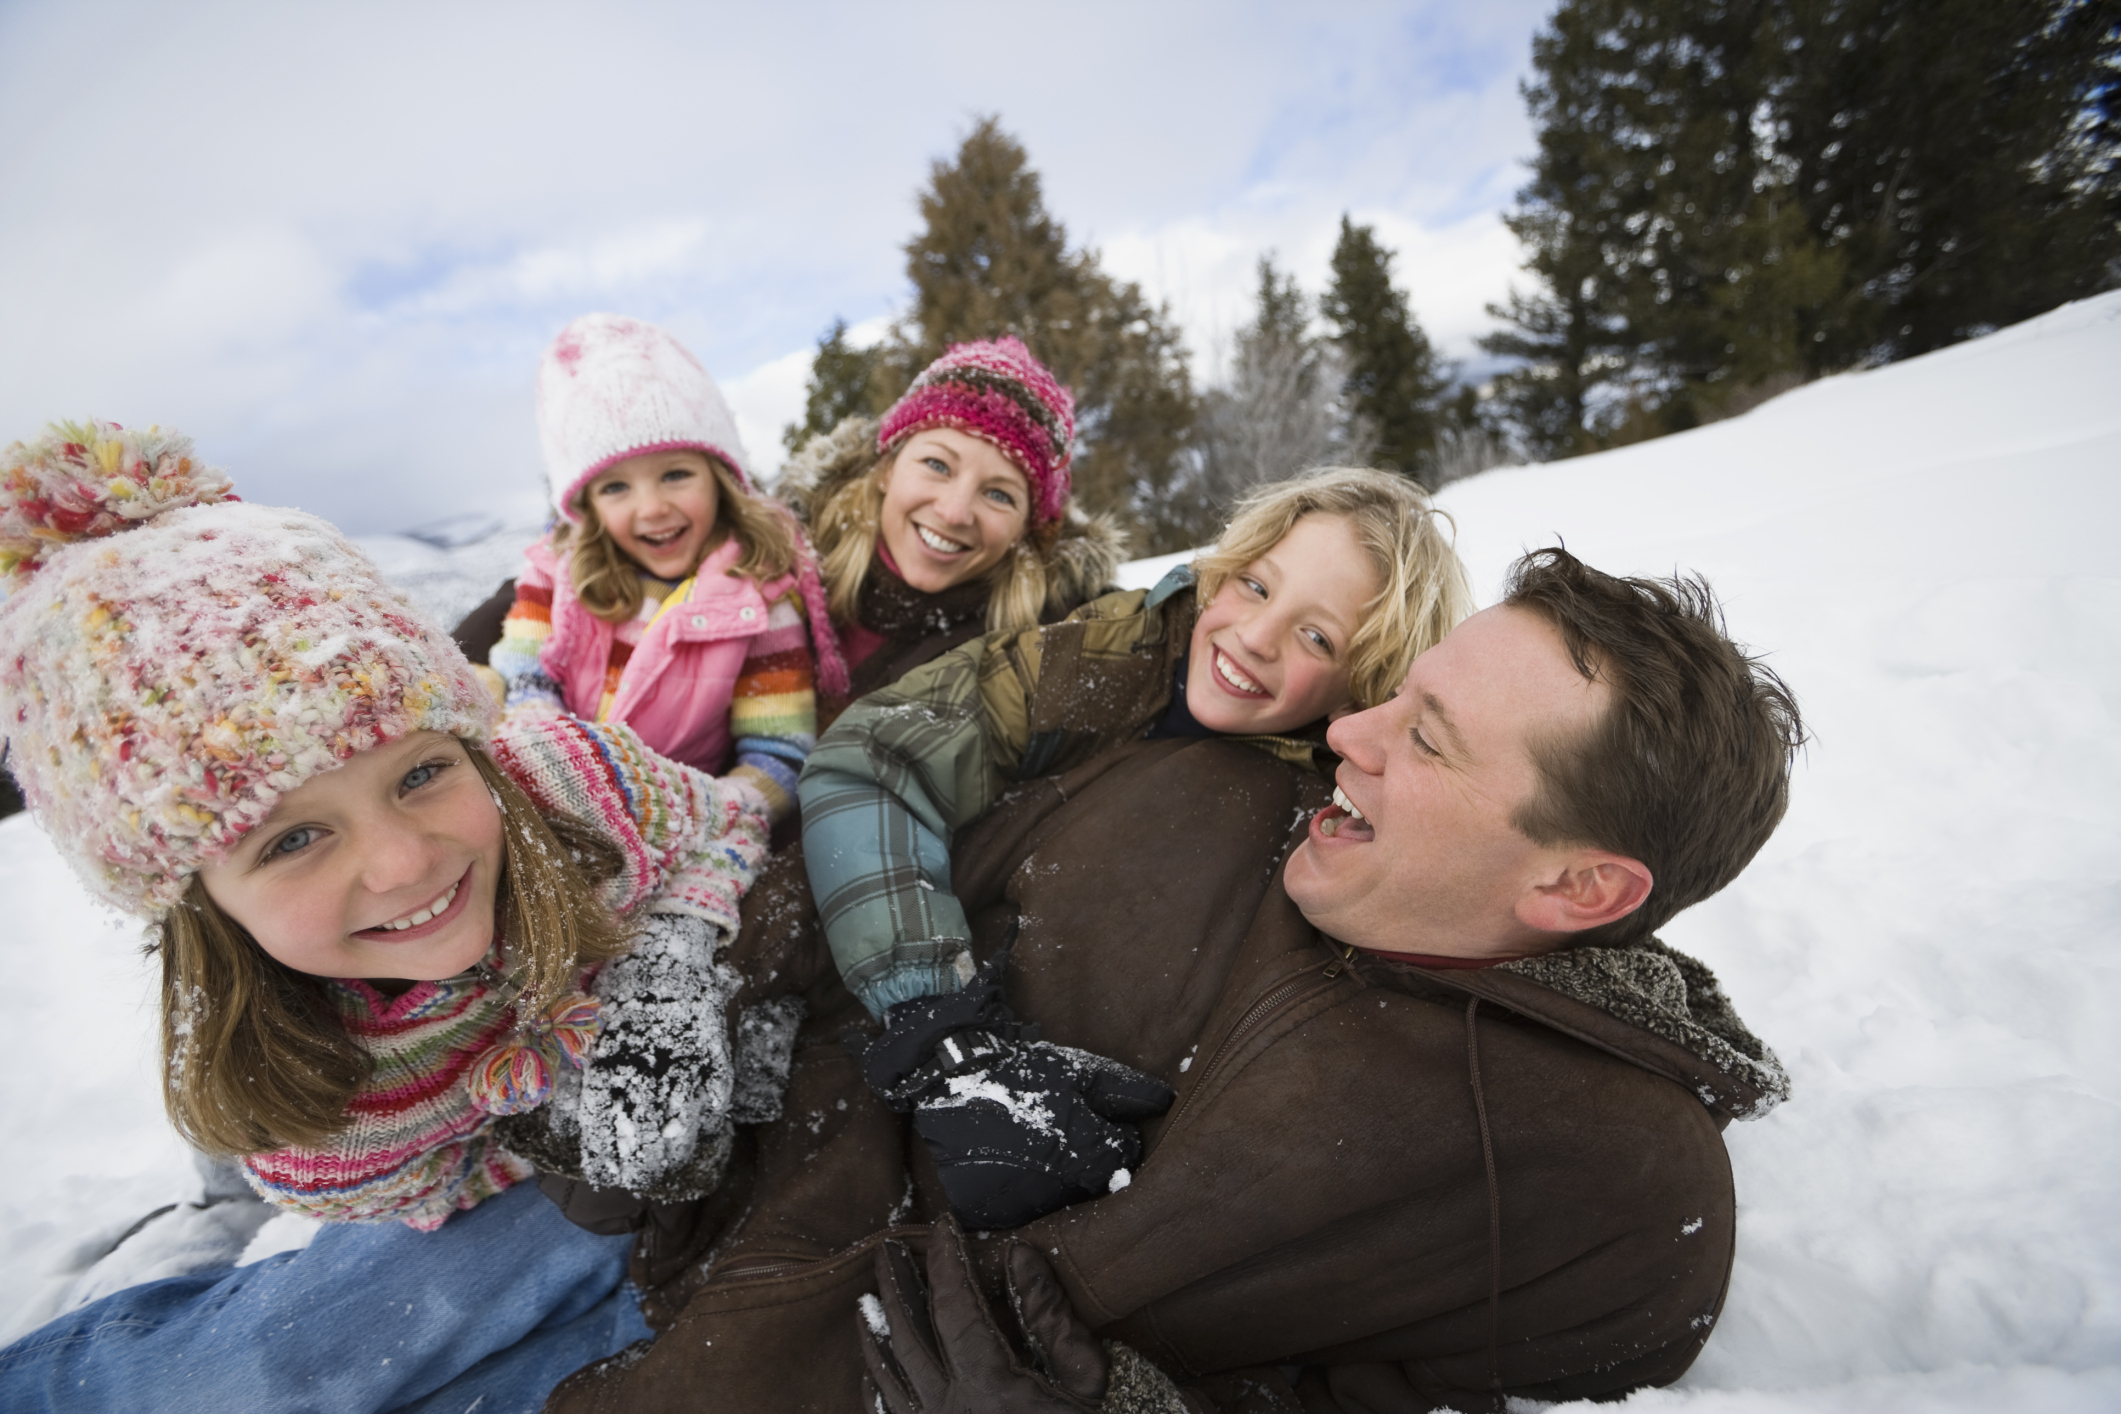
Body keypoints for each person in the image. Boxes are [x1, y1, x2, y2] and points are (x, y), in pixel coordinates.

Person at [542, 547, 1802, 1414]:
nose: (1347, 733)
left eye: (1423, 739)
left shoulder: (1607, 1186)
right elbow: (860, 884)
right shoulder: (1214, 795)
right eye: (1399, 695)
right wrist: (681, 1022)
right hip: (629, 1227)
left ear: (1581, 890)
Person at [0, 422, 787, 1412]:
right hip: (395, 1131)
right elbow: (431, 1193)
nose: (407, 860)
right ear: (193, 902)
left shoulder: (567, 782)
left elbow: (726, 826)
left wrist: (666, 955)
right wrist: (545, 1124)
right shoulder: (314, 1115)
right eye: (291, 839)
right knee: (307, 1360)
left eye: (422, 771)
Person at [797, 466, 1472, 1231]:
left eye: (1315, 635)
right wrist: (941, 1029)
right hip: (931, 983)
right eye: (1253, 586)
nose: (1253, 637)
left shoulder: (1346, 804)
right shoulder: (1110, 651)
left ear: (1363, 686)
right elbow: (875, 753)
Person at [487, 312, 846, 824]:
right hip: (560, 802)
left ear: (720, 479)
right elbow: (525, 682)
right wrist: (553, 763)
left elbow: (778, 752)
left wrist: (703, 810)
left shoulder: (756, 602)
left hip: (688, 815)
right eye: (616, 487)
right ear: (585, 504)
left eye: (675, 475)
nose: (651, 507)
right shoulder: (556, 579)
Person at [778, 335, 1125, 726]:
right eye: (938, 465)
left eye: (998, 494)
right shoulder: (771, 574)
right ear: (887, 469)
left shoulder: (1054, 650)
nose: (955, 512)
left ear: (1027, 529)